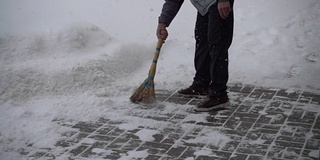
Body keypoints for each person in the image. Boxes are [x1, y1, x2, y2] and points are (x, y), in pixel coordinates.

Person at [157, 0, 234, 112]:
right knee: (202, 41)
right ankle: (202, 84)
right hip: (203, 5)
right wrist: (163, 22)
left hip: (219, 3)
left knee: (217, 44)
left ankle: (219, 94)